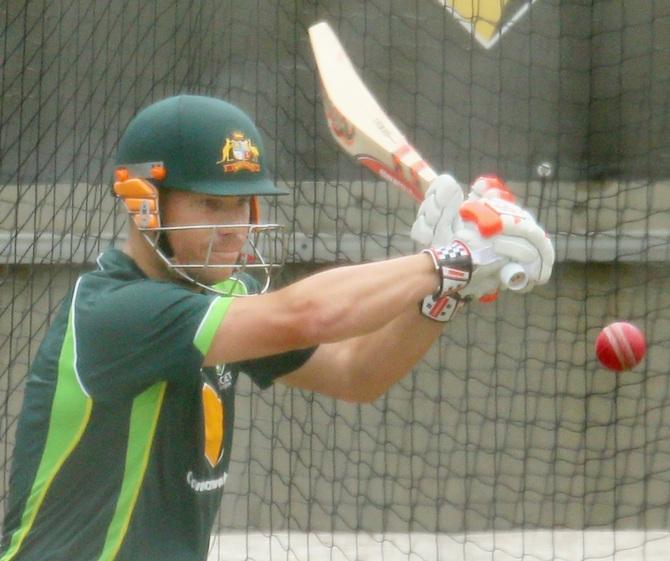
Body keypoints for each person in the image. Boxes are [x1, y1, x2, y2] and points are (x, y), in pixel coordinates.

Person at [0, 95, 554, 561]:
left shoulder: (219, 301)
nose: (234, 229)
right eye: (210, 206)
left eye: (244, 206)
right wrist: (451, 258)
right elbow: (307, 316)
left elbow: (356, 372)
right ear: (144, 204)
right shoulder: (117, 312)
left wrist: (445, 293)